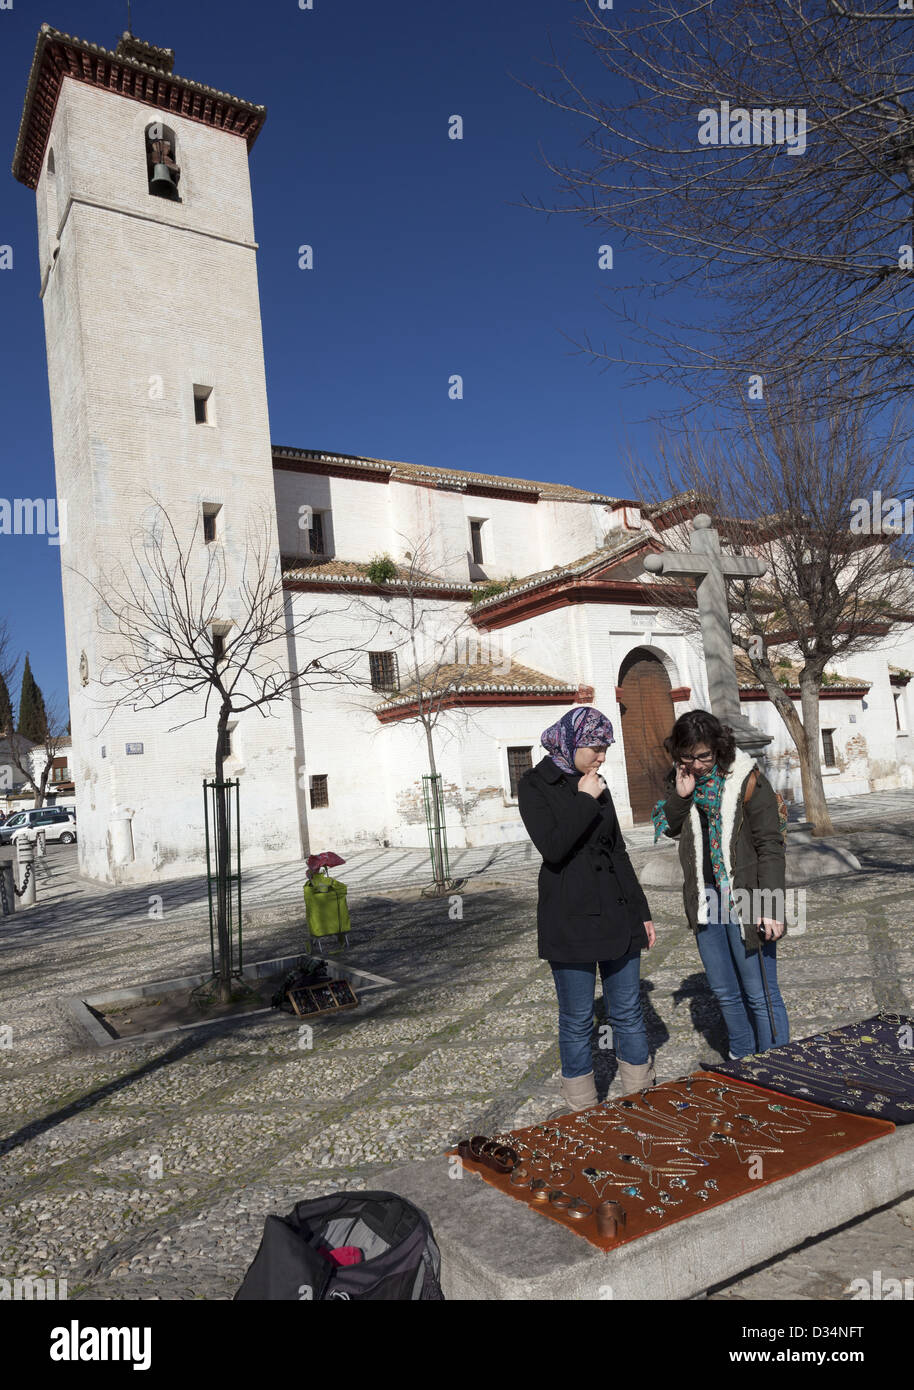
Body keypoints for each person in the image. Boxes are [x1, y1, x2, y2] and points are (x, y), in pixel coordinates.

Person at [517, 706, 656, 1112]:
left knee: (628, 1010)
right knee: (577, 1019)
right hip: (570, 919)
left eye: (605, 748)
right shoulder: (534, 784)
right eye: (595, 748)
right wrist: (583, 799)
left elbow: (617, 850)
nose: (602, 757)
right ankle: (582, 1108)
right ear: (572, 742)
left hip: (616, 913)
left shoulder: (597, 783)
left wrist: (641, 911)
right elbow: (554, 847)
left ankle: (640, 1094)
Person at [651, 709, 789, 1059]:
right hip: (705, 896)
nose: (696, 764)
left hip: (748, 894)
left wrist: (772, 908)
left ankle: (779, 1066)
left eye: (703, 756)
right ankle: (742, 1060)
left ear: (718, 748)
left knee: (760, 992)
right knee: (725, 991)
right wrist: (682, 796)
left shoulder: (748, 779)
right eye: (687, 756)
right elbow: (668, 827)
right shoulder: (681, 778)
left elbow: (770, 844)